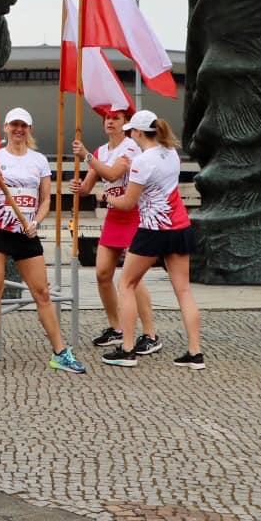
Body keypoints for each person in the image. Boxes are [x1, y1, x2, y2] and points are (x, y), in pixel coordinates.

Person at [0, 108, 87, 374]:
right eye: (14, 125)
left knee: (42, 292)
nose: (18, 129)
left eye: (23, 125)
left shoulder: (38, 161)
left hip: (26, 232)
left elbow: (46, 198)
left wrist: (36, 221)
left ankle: (60, 352)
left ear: (30, 129)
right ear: (5, 127)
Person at [102, 110, 202, 369]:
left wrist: (106, 198)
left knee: (126, 284)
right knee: (184, 290)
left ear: (136, 132)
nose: (130, 137)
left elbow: (127, 203)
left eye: (130, 132)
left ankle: (127, 349)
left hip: (152, 230)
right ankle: (195, 352)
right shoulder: (171, 154)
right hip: (179, 227)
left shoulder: (142, 161)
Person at [71, 109, 155, 350]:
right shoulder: (100, 152)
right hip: (113, 216)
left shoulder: (130, 147)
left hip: (133, 214)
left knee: (133, 278)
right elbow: (88, 185)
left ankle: (150, 333)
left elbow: (113, 173)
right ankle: (116, 327)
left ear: (125, 123)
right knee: (102, 274)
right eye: (106, 118)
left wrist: (86, 155)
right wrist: (79, 186)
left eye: (115, 118)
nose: (110, 121)